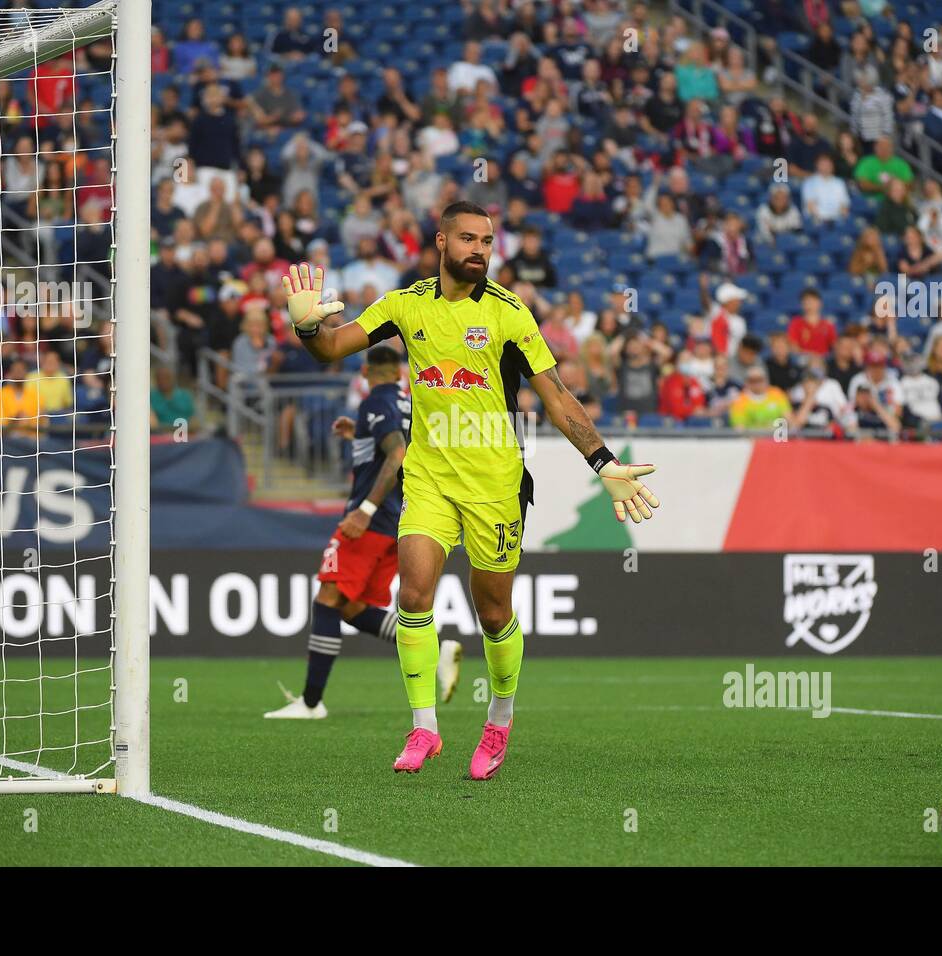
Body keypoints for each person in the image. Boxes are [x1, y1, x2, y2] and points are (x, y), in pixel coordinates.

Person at [281, 201, 660, 778]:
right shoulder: (406, 305)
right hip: (430, 476)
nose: (480, 249)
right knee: (413, 596)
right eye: (468, 238)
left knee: (492, 611)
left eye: (486, 240)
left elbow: (556, 395)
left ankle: (499, 721)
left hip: (495, 483)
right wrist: (308, 326)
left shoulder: (510, 314)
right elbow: (333, 347)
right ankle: (424, 728)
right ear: (441, 241)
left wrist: (602, 460)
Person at [265, 346, 463, 719]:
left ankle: (310, 703)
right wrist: (360, 434)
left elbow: (398, 453)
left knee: (328, 596)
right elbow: (402, 446)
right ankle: (438, 649)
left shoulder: (376, 400)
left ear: (368, 372)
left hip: (371, 520)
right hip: (399, 520)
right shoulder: (408, 403)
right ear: (399, 374)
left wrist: (365, 510)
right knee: (353, 608)